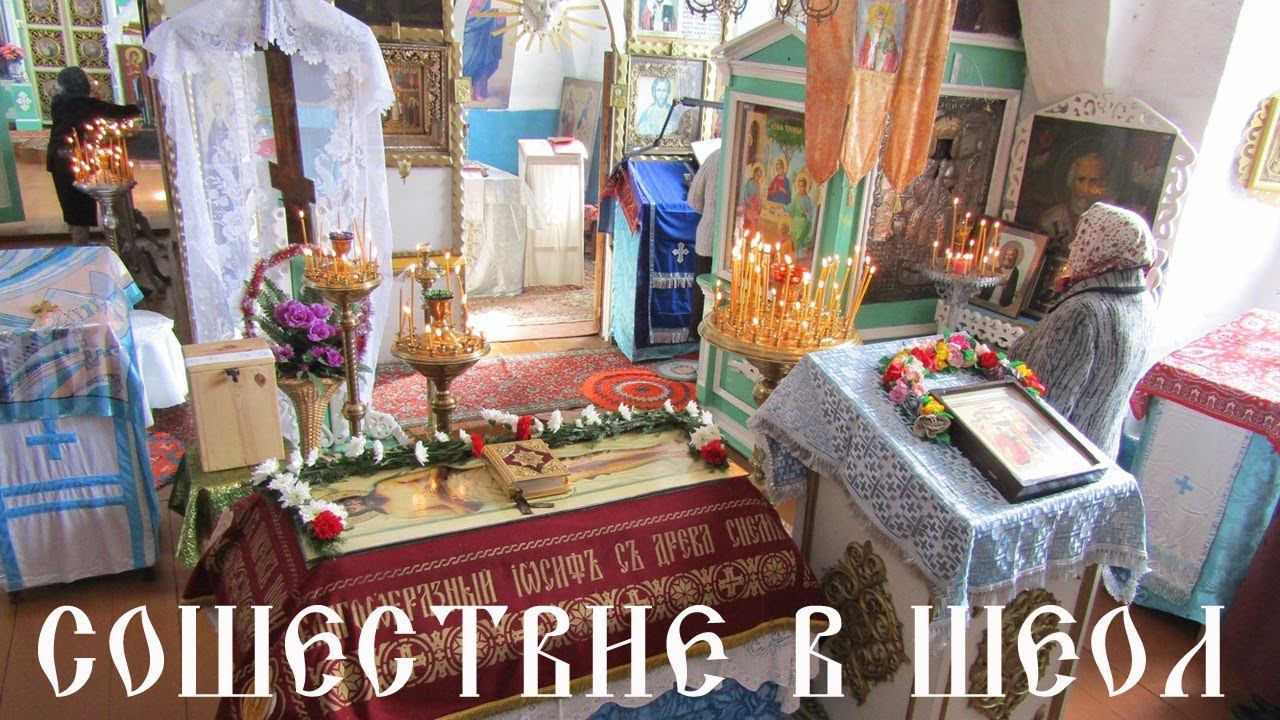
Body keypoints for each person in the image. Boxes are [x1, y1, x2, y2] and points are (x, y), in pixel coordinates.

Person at [1009, 202, 1156, 458]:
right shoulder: (1143, 301)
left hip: (1055, 456)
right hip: (1098, 450)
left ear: (1102, 245)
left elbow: (1043, 404)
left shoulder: (1082, 312)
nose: (1073, 245)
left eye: (1082, 237)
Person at [46, 67, 141, 244]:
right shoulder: (82, 103)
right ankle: (85, 244)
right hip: (71, 157)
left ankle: (80, 243)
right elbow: (119, 112)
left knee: (71, 202)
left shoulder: (59, 101)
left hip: (58, 157)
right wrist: (139, 105)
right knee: (79, 203)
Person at [1038, 151, 1110, 248]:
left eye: (1093, 181)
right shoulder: (1050, 219)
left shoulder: (1108, 225)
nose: (1085, 189)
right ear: (1071, 180)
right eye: (1081, 180)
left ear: (1102, 185)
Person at [686, 148, 720, 339]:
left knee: (702, 290)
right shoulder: (745, 159)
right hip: (731, 241)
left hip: (708, 234)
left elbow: (694, 199)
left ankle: (697, 337)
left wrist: (710, 213)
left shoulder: (715, 156)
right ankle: (710, 339)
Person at [857, 2, 901, 73]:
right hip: (870, 63)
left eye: (882, 19)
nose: (880, 21)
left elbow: (891, 51)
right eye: (879, 18)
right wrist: (872, 48)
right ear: (875, 18)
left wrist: (883, 49)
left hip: (883, 63)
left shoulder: (888, 34)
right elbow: (865, 48)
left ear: (885, 20)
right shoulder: (870, 31)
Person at [978, 241, 1022, 307]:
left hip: (1000, 303)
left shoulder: (1015, 272)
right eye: (1006, 254)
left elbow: (1011, 289)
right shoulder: (997, 268)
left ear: (1015, 257)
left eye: (1010, 255)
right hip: (988, 298)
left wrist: (1005, 285)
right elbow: (987, 283)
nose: (1007, 257)